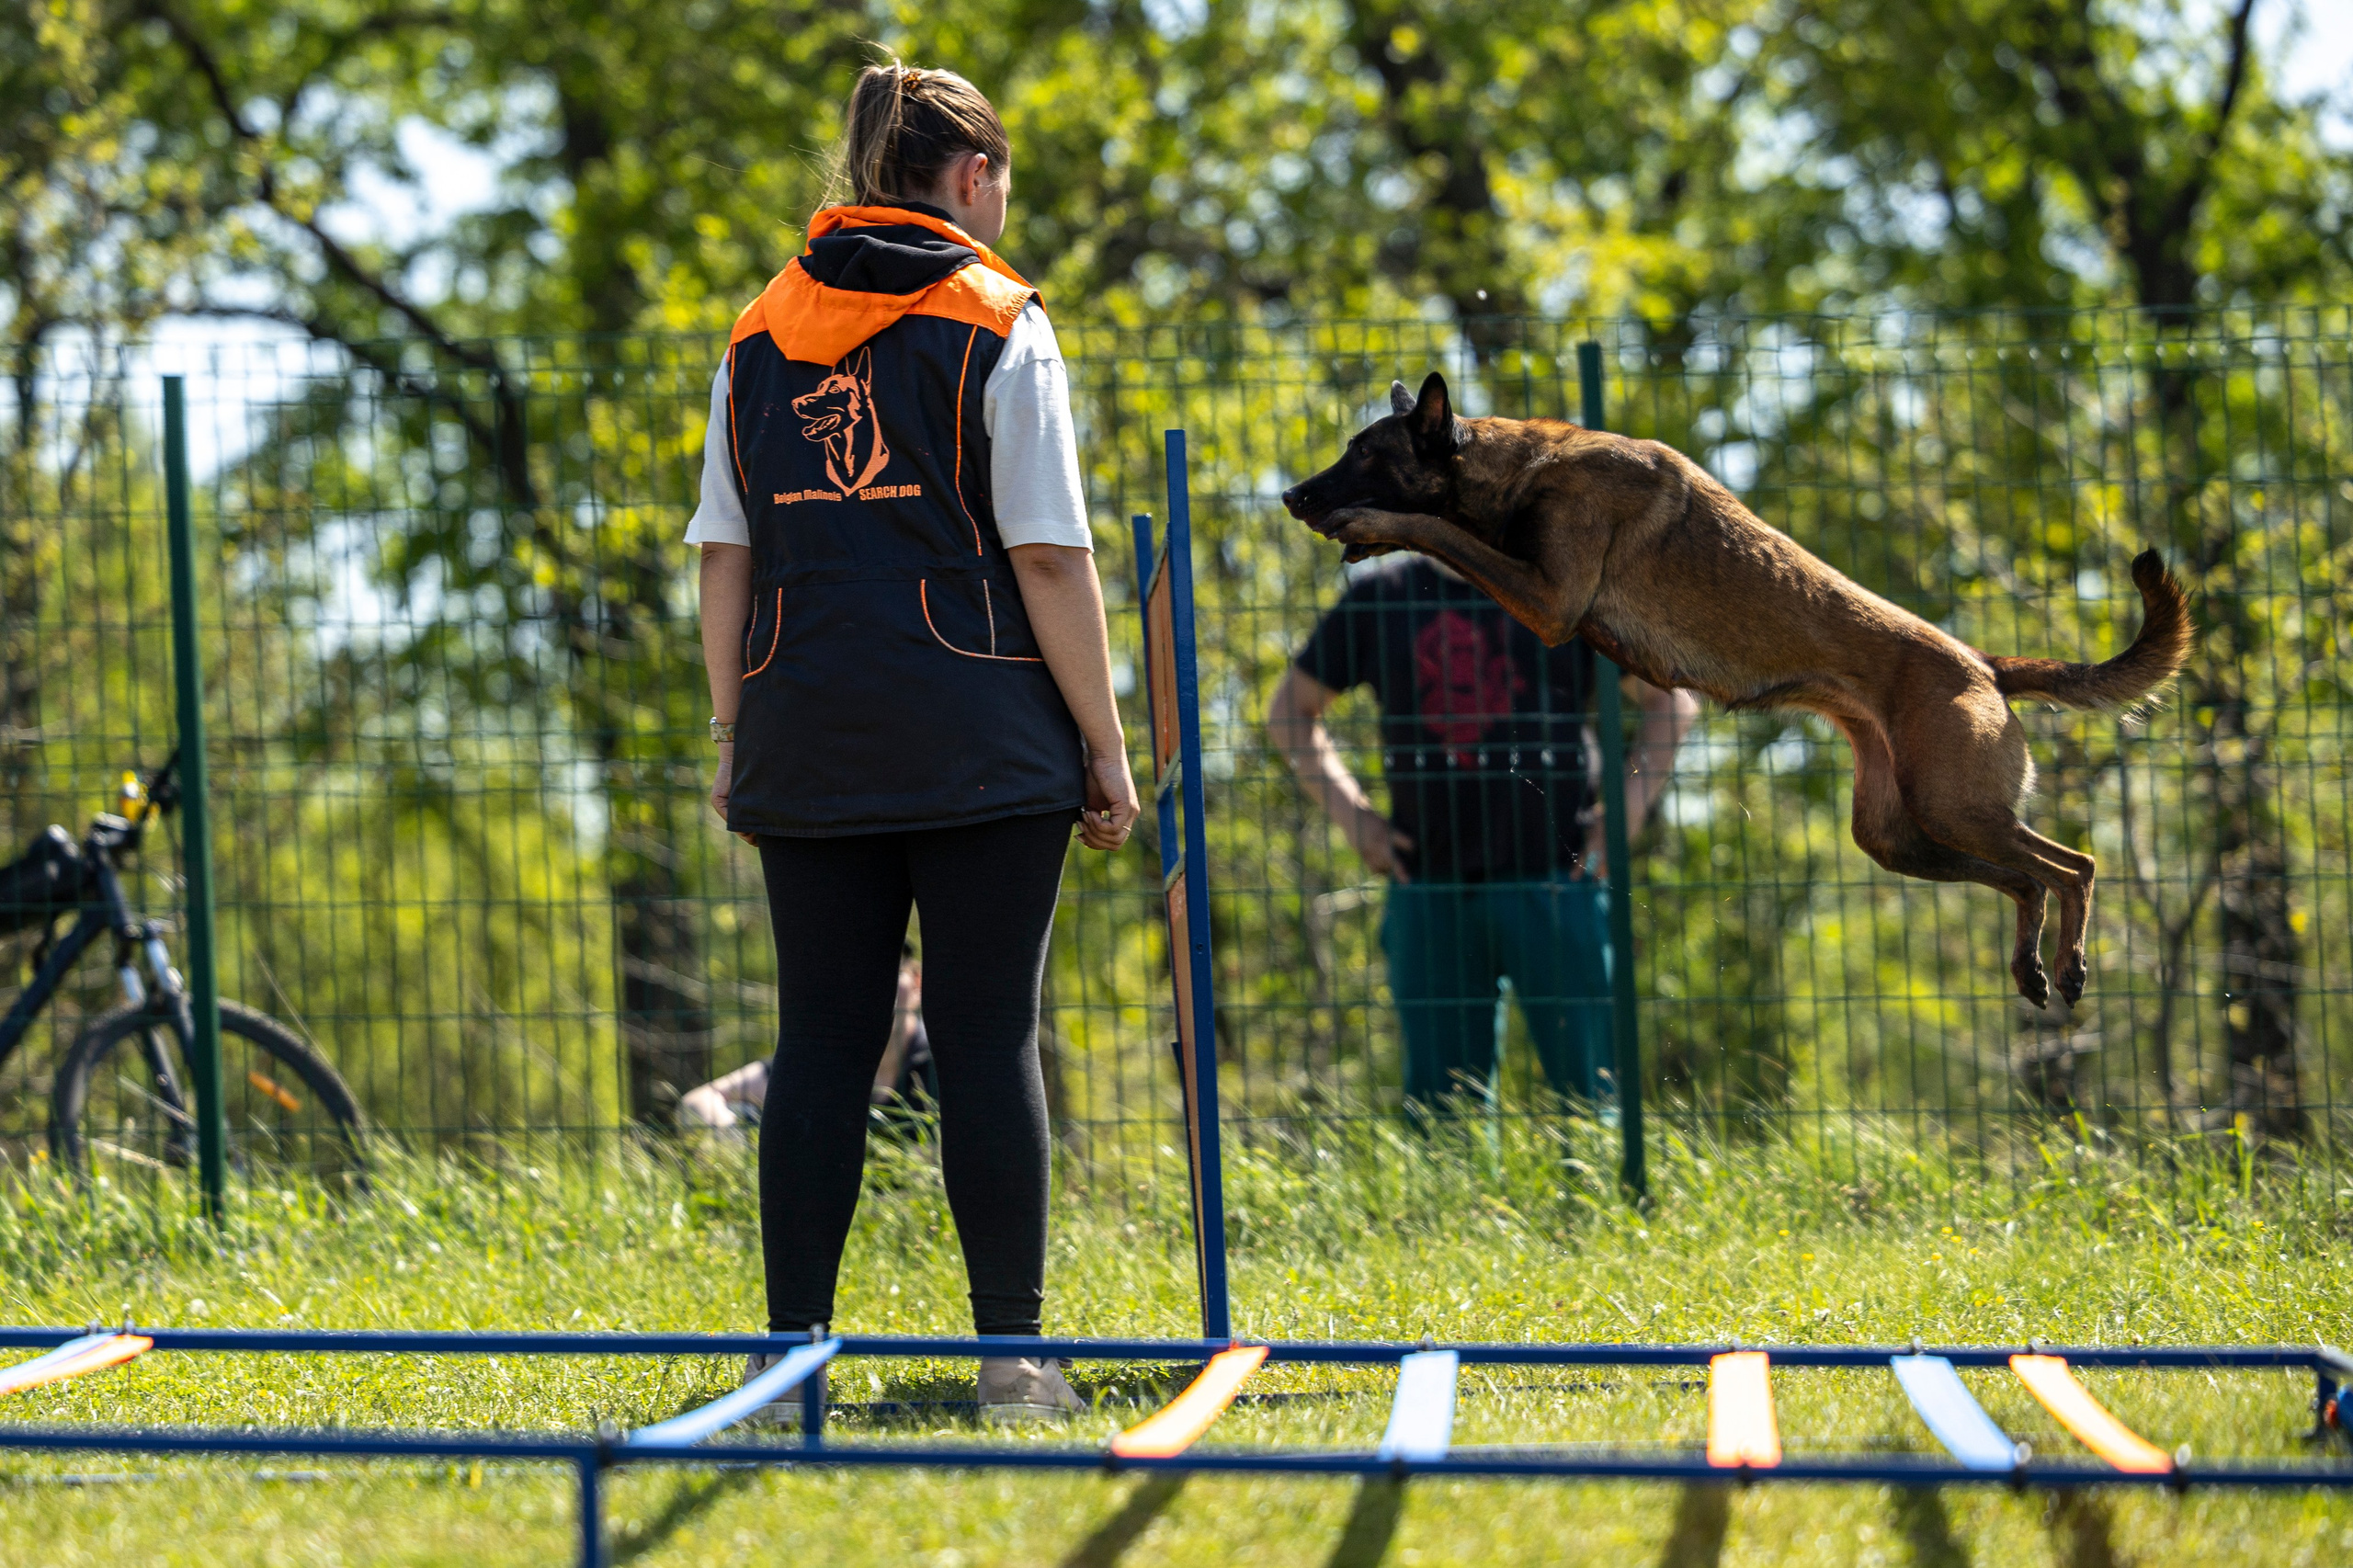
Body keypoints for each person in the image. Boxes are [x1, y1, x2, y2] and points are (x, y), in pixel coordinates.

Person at [688, 62, 1137, 1422]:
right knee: (985, 1031)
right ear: (973, 176)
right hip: (981, 732)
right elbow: (1050, 560)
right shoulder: (999, 316)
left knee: (822, 1041)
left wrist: (731, 729)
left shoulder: (760, 327)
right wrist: (1106, 749)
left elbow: (724, 553)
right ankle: (1012, 1360)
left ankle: (787, 1362)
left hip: (803, 727)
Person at [1267, 554, 1697, 1117]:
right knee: (1442, 1118)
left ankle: (1606, 1203)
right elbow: (1289, 713)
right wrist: (1355, 816)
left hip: (1560, 879)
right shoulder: (1379, 596)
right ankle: (1454, 1207)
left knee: (1593, 1104)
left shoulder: (1561, 580)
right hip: (1427, 883)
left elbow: (1671, 698)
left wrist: (1629, 806)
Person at [677, 947, 934, 1140]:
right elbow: (697, 1102)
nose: (877, 985)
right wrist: (731, 1138)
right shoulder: (821, 1056)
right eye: (863, 972)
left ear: (917, 984)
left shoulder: (943, 1064)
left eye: (892, 970)